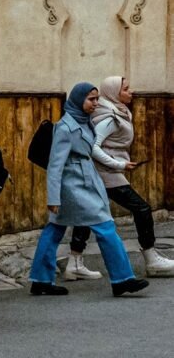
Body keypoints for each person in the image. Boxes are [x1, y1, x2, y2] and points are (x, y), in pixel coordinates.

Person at [27, 82, 149, 298]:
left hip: (82, 180)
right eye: (91, 99)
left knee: (55, 229)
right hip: (74, 185)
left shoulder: (82, 122)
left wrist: (117, 164)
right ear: (78, 100)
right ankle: (122, 279)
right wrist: (53, 197)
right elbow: (55, 165)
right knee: (105, 226)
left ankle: (41, 279)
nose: (95, 103)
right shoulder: (66, 127)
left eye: (96, 99)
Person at [66, 75, 174, 278]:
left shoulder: (117, 112)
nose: (130, 92)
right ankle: (151, 259)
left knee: (88, 215)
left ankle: (74, 262)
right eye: (125, 89)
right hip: (107, 173)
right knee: (142, 208)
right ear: (115, 93)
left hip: (106, 172)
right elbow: (93, 147)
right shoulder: (110, 118)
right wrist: (119, 164)